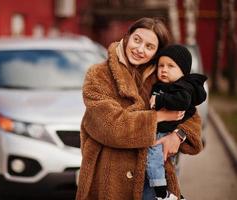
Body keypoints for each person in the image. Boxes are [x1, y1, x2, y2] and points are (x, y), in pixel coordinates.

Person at [76, 17, 203, 200]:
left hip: (152, 183)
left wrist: (179, 135)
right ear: (127, 37)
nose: (140, 49)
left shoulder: (160, 78)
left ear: (156, 52)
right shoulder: (99, 75)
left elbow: (192, 116)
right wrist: (158, 116)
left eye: (150, 46)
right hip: (110, 182)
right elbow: (111, 126)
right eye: (137, 40)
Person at [147, 44, 207, 200]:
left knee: (154, 161)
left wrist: (160, 100)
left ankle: (162, 193)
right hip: (158, 131)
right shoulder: (163, 85)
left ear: (183, 72)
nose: (164, 70)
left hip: (163, 133)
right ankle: (171, 194)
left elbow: (182, 102)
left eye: (170, 66)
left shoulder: (181, 87)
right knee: (160, 165)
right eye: (161, 65)